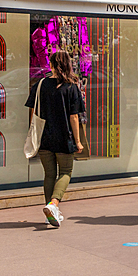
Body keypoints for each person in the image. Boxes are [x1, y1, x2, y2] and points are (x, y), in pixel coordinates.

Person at [25, 50, 85, 227]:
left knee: (49, 174)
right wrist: (78, 141)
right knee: (65, 172)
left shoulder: (40, 84)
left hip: (44, 136)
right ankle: (53, 204)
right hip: (64, 137)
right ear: (68, 65)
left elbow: (32, 110)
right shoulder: (71, 87)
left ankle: (49, 214)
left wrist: (33, 132)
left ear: (51, 65)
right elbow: (74, 117)